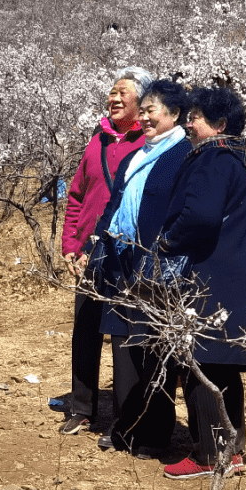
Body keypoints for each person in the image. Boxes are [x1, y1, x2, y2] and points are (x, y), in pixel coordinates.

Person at [159, 86, 246, 479]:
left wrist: (168, 241)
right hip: (238, 274)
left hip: (209, 274)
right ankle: (231, 451)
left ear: (220, 124)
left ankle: (208, 454)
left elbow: (200, 217)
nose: (189, 123)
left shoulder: (213, 158)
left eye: (196, 118)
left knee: (201, 364)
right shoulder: (244, 160)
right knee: (223, 365)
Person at [87, 80, 192, 456]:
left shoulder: (183, 153)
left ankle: (155, 431)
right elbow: (116, 202)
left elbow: (182, 211)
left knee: (155, 348)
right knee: (124, 347)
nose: (145, 117)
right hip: (123, 260)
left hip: (157, 264)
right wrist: (100, 239)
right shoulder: (139, 153)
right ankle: (126, 425)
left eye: (153, 110)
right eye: (143, 110)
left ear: (175, 114)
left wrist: (162, 251)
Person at [58, 67, 151, 434]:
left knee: (125, 333)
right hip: (87, 255)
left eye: (122, 92)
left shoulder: (146, 143)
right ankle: (81, 407)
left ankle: (126, 414)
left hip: (125, 255)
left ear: (141, 101)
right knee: (85, 330)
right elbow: (77, 196)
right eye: (111, 92)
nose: (113, 97)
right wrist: (70, 244)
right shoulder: (96, 141)